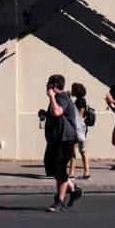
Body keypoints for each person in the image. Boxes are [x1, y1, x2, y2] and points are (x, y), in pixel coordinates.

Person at [43, 74, 83, 212]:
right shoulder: (60, 98)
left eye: (48, 83)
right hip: (55, 140)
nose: (46, 85)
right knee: (54, 169)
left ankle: (59, 201)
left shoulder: (62, 97)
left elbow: (57, 112)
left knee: (60, 171)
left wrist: (51, 96)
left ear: (53, 85)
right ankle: (73, 189)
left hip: (64, 140)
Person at [67, 83, 92, 180]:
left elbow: (80, 116)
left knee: (72, 150)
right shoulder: (79, 100)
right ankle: (86, 173)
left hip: (78, 129)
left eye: (73, 89)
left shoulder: (81, 101)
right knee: (82, 151)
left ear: (76, 91)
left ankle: (71, 173)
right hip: (80, 129)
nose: (71, 91)